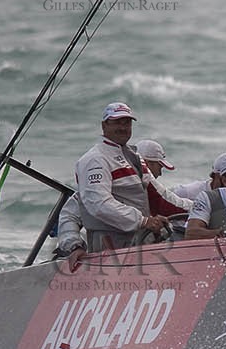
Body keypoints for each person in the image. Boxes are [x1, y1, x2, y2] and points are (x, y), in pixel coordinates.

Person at [72, 101, 172, 250]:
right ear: (104, 125)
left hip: (137, 242)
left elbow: (162, 196)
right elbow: (100, 204)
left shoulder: (133, 156)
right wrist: (143, 221)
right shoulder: (95, 159)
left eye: (127, 123)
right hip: (109, 246)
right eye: (117, 122)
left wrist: (197, 207)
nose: (123, 128)